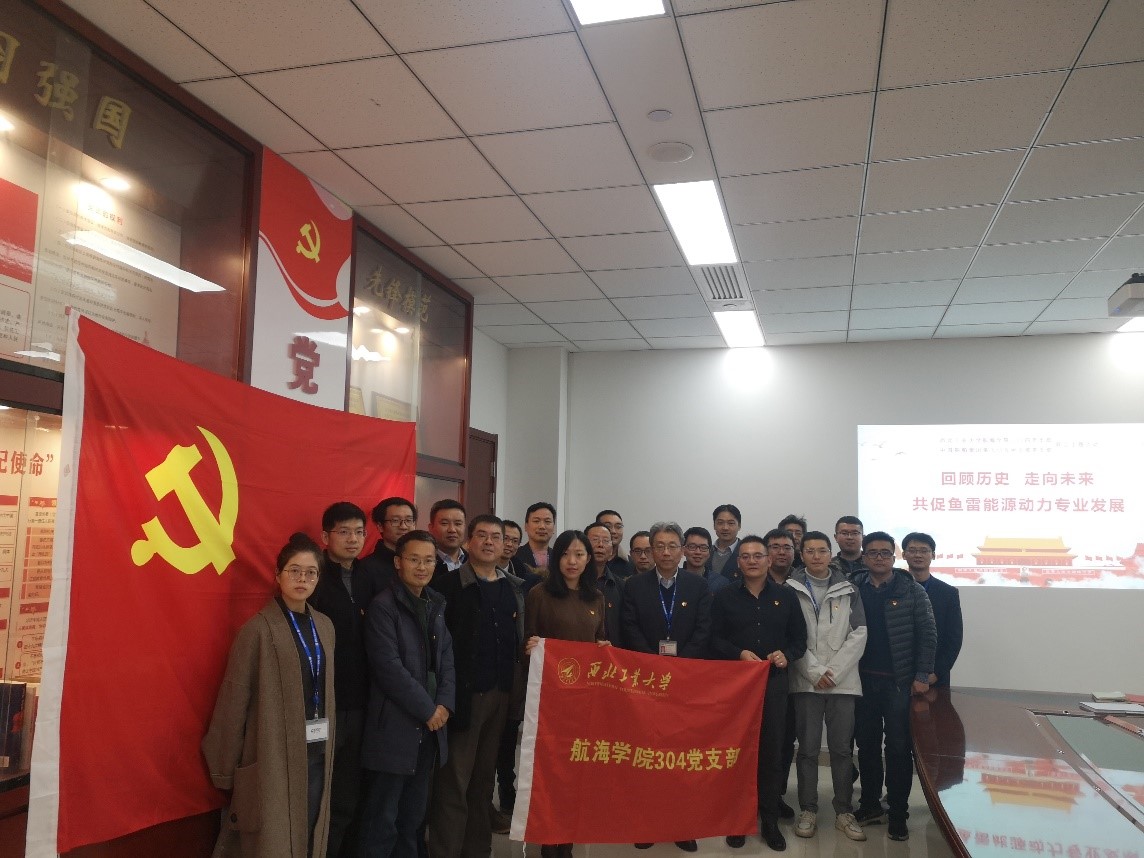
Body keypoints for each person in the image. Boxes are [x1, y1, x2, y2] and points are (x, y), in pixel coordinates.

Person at [203, 532, 335, 858]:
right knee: (272, 838)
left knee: (312, 827)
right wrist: (224, 766)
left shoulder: (325, 626)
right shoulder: (258, 630)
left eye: (311, 572)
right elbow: (234, 699)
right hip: (272, 752)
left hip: (317, 748)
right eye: (294, 571)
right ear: (278, 575)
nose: (302, 579)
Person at [429, 516, 524, 858]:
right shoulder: (447, 586)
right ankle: (445, 850)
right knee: (454, 780)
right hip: (463, 696)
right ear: (468, 542)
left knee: (484, 780)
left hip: (501, 694)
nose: (488, 542)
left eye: (496, 537)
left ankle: (477, 849)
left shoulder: (514, 587)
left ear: (505, 545)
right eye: (481, 535)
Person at [359, 531, 456, 858]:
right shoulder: (383, 606)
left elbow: (446, 659)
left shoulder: (436, 602)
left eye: (428, 560)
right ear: (398, 562)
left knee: (413, 818)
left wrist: (444, 705)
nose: (422, 567)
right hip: (395, 725)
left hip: (430, 727)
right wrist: (428, 710)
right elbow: (388, 668)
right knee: (383, 818)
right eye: (414, 559)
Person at [710, 535, 807, 853]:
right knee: (738, 752)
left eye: (758, 555)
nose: (752, 560)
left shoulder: (786, 596)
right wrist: (737, 653)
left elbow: (799, 640)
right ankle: (738, 820)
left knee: (771, 752)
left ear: (769, 560)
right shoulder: (724, 596)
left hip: (774, 683)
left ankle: (769, 821)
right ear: (738, 562)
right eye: (746, 556)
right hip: (737, 686)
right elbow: (714, 638)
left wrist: (786, 655)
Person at [522, 530, 608, 858]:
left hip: (584, 702)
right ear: (556, 558)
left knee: (577, 773)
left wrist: (605, 648)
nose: (572, 561)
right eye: (565, 554)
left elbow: (600, 639)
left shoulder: (596, 598)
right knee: (551, 773)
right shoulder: (539, 594)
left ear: (588, 560)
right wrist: (530, 647)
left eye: (579, 555)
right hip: (550, 702)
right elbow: (527, 640)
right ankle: (549, 841)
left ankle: (567, 841)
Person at [852, 532, 936, 842]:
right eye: (872, 553)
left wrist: (922, 675)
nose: (879, 558)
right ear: (864, 557)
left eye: (885, 553)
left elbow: (928, 634)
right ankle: (870, 805)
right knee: (867, 746)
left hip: (898, 684)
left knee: (899, 748)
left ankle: (898, 813)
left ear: (893, 557)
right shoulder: (853, 589)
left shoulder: (912, 590)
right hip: (861, 680)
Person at [787, 532, 868, 843]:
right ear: (802, 554)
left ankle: (844, 812)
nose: (816, 556)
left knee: (842, 750)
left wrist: (833, 672)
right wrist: (814, 672)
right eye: (810, 551)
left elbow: (859, 633)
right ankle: (808, 810)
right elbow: (790, 635)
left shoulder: (849, 589)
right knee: (807, 750)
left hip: (842, 683)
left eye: (822, 550)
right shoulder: (790, 589)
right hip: (806, 682)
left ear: (831, 553)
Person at [309, 503, 374, 858]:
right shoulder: (313, 577)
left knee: (349, 792)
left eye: (359, 532)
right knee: (316, 789)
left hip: (360, 702)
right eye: (344, 532)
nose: (353, 539)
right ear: (325, 536)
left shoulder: (370, 577)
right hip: (321, 704)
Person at [902, 532, 962, 688]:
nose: (918, 555)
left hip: (934, 675)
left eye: (924, 550)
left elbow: (954, 638)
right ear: (903, 555)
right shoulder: (895, 588)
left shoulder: (948, 593)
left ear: (933, 555)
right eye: (912, 550)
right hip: (899, 672)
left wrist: (937, 673)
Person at [361, 497, 417, 590]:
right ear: (380, 526)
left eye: (408, 520)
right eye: (395, 520)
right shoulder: (366, 568)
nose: (403, 526)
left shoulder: (423, 562)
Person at [586, 521, 626, 641]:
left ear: (612, 551)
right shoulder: (574, 582)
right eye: (595, 540)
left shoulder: (621, 586)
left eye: (606, 541)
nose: (600, 545)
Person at [429, 500, 467, 583]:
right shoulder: (425, 564)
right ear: (431, 528)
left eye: (458, 524)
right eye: (444, 523)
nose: (452, 530)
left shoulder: (474, 562)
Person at [683, 526, 728, 594]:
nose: (698, 552)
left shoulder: (721, 584)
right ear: (683, 550)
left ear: (709, 552)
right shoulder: (674, 579)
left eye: (703, 547)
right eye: (692, 547)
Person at [516, 502, 556, 571]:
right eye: (536, 521)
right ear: (526, 526)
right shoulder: (515, 556)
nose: (542, 526)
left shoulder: (558, 557)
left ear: (554, 527)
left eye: (547, 521)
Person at [595, 509, 630, 578]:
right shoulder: (584, 560)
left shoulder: (631, 563)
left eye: (618, 527)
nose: (613, 531)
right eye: (608, 526)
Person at [710, 504, 742, 578]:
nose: (725, 528)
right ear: (714, 525)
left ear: (739, 526)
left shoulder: (746, 553)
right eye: (720, 523)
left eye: (731, 523)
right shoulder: (706, 551)